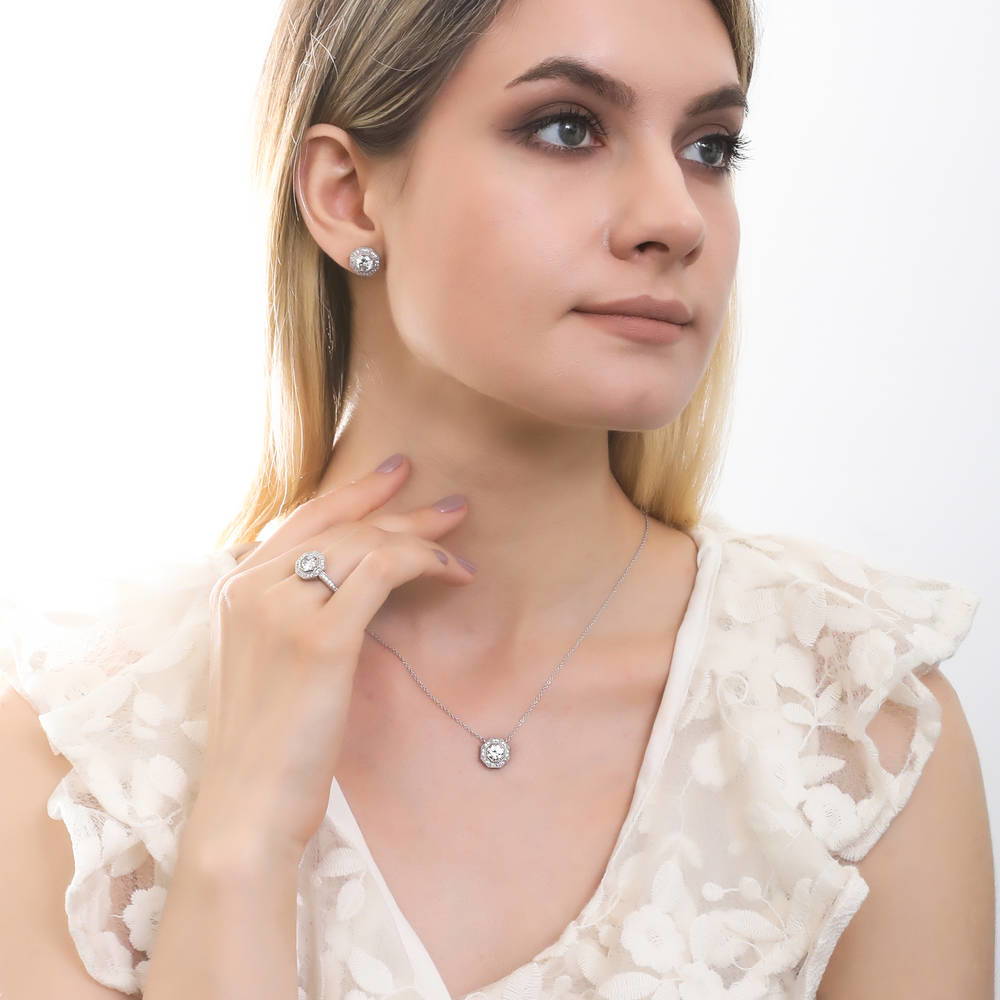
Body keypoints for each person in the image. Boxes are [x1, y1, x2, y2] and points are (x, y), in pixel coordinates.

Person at [0, 0, 993, 997]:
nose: (674, 218)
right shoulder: (83, 762)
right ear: (348, 197)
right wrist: (240, 837)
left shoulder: (851, 729)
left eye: (709, 148)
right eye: (566, 128)